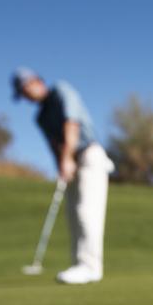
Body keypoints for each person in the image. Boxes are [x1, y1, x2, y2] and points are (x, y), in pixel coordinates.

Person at [12, 67, 114, 284]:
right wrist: (61, 165)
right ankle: (79, 265)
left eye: (25, 89)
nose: (26, 96)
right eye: (22, 94)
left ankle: (90, 267)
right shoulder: (40, 117)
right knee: (73, 216)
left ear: (36, 81)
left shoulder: (61, 91)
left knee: (87, 211)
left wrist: (67, 158)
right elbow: (53, 145)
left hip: (89, 155)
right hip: (70, 162)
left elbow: (72, 124)